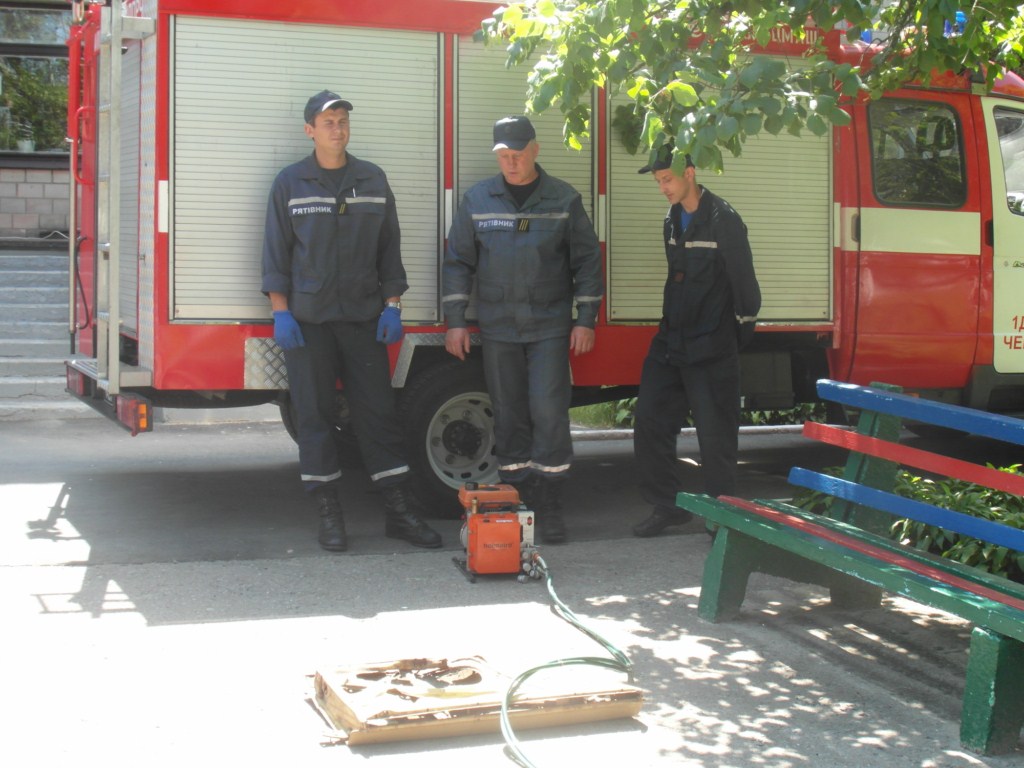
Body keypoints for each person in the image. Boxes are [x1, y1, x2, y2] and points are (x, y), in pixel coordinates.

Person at [261, 89, 442, 552]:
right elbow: (276, 253)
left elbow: (389, 248)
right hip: (309, 324)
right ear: (310, 131)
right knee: (314, 417)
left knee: (378, 416)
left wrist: (393, 305)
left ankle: (398, 513)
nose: (337, 129)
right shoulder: (290, 183)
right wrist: (280, 312)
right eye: (328, 122)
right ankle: (329, 514)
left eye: (342, 121)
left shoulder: (372, 179)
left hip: (363, 321)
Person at [442, 116, 604, 544]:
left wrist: (585, 319)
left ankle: (550, 504)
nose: (511, 163)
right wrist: (455, 321)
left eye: (517, 154)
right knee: (509, 413)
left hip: (549, 326)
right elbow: (458, 262)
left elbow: (587, 260)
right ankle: (520, 499)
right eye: (503, 156)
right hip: (499, 328)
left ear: (535, 149)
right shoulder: (479, 199)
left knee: (549, 413)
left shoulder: (563, 198)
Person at [631, 145, 761, 537]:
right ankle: (667, 506)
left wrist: (730, 337)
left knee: (715, 435)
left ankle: (722, 518)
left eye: (667, 179)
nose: (663, 188)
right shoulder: (671, 219)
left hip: (711, 344)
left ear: (689, 173)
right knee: (650, 421)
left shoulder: (724, 219)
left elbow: (745, 286)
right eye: (658, 181)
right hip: (671, 340)